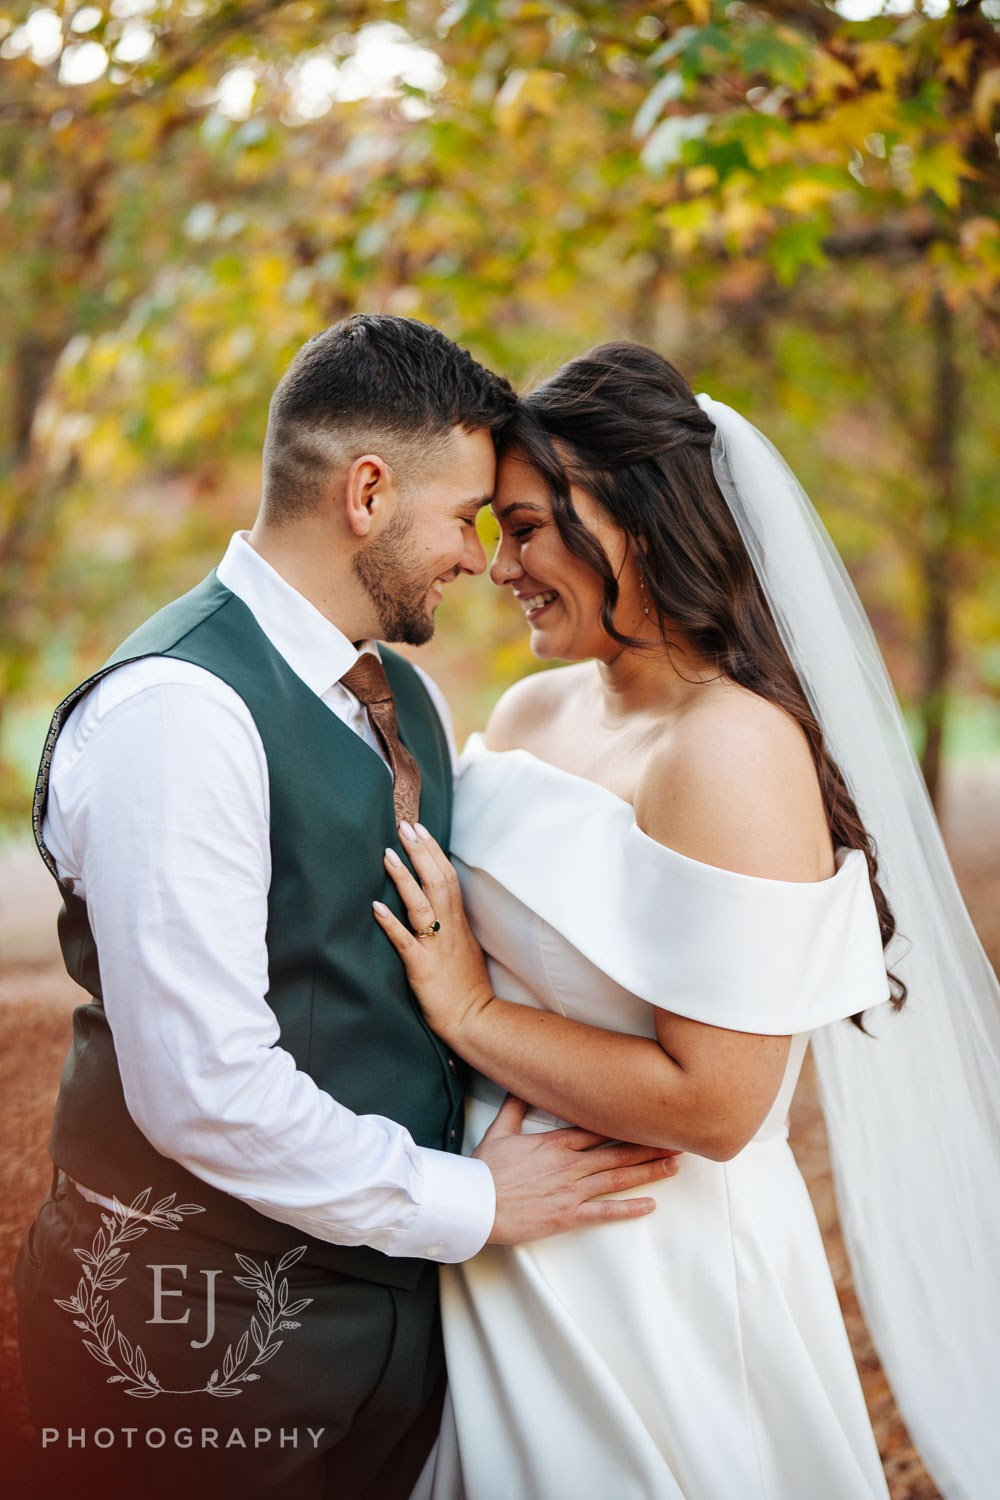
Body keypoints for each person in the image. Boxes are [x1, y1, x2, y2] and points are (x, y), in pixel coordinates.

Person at [13, 317, 679, 1500]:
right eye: (466, 517)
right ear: (367, 493)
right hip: (195, 1326)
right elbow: (205, 1090)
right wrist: (475, 1199)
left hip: (397, 1318)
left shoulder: (405, 698)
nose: (479, 558)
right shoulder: (178, 715)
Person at [375, 342, 1000, 1500]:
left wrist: (469, 1014)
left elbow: (718, 1105)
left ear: (637, 523)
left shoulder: (730, 751)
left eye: (526, 529)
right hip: (490, 1242)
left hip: (646, 1272)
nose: (498, 566)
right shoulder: (531, 709)